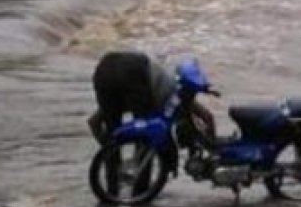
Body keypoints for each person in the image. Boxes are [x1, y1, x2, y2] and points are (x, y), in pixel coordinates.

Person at [86, 50, 215, 143]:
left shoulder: (122, 99)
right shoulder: (172, 93)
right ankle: (140, 176)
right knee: (145, 134)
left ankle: (112, 168)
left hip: (104, 70)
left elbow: (93, 122)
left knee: (112, 132)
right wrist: (212, 141)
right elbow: (207, 116)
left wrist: (107, 147)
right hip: (135, 69)